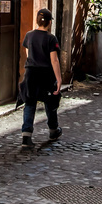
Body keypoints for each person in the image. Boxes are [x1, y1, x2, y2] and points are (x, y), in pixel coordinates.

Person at [20, 8, 63, 148]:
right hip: (46, 74)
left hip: (31, 73)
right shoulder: (51, 39)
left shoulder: (29, 36)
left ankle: (26, 136)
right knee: (50, 102)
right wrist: (59, 79)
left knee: (30, 102)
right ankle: (53, 130)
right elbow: (54, 61)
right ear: (50, 22)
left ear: (37, 21)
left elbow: (28, 54)